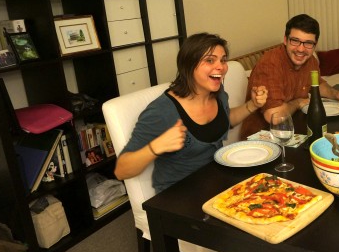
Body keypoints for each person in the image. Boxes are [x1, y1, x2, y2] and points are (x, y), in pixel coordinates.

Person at [114, 32, 268, 193]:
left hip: (216, 184)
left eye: (223, 60)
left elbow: (224, 120)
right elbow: (121, 170)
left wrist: (252, 105)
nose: (221, 67)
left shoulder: (216, 92)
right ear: (188, 65)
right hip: (179, 197)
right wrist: (156, 147)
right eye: (210, 60)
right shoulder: (161, 111)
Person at [240, 13, 339, 139]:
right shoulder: (270, 63)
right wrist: (298, 103)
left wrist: (337, 94)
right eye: (295, 41)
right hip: (262, 138)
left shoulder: (310, 60)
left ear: (315, 45)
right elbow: (273, 116)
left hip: (294, 130)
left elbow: (317, 84)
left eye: (308, 43)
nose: (301, 49)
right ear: (285, 40)